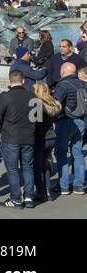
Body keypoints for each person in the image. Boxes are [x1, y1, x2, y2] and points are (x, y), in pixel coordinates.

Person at [0, 68, 36, 208]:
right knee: (28, 167)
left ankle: (16, 198)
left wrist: (2, 130)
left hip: (10, 136)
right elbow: (37, 119)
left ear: (10, 81)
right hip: (29, 137)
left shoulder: (5, 97)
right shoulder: (33, 96)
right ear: (23, 81)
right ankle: (29, 197)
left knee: (12, 168)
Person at [51, 62, 87, 196]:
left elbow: (56, 104)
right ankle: (78, 185)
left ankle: (63, 186)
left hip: (65, 121)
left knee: (60, 153)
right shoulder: (83, 84)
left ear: (64, 71)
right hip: (81, 121)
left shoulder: (63, 85)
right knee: (77, 153)